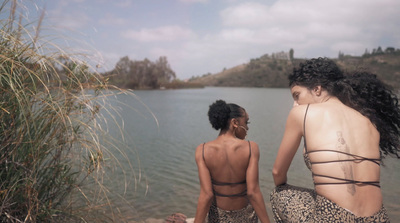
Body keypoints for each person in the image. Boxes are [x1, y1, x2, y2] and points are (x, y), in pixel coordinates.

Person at [271, 57, 400, 222]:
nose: (296, 104)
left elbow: (277, 172)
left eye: (297, 96)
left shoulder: (302, 113)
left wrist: (281, 185)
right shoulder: (368, 121)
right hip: (378, 218)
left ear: (317, 89)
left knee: (279, 194)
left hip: (335, 217)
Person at [194, 100, 270, 223]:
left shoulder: (202, 150)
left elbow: (206, 195)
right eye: (246, 122)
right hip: (245, 217)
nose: (247, 127)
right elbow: (253, 192)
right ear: (235, 122)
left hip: (218, 218)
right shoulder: (251, 148)